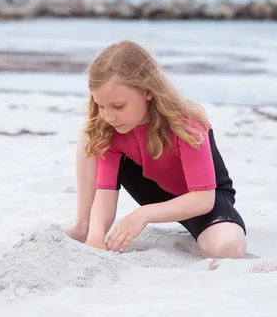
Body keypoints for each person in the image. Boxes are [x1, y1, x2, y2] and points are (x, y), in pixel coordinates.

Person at [65, 40, 246, 258]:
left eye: (118, 106)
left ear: (147, 91)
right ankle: (83, 225)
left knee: (229, 248)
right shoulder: (109, 127)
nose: (109, 116)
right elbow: (105, 192)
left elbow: (203, 199)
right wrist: (95, 237)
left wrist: (144, 214)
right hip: (153, 189)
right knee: (90, 132)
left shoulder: (186, 124)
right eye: (101, 105)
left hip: (202, 197)